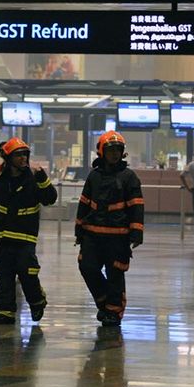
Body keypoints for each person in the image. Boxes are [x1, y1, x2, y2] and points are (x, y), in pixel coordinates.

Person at [0, 137, 58, 325]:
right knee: (2, 274)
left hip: (25, 237)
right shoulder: (0, 181)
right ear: (8, 158)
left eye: (25, 155)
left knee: (27, 273)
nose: (23, 158)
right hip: (3, 237)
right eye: (18, 155)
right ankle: (5, 312)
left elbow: (50, 199)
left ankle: (37, 302)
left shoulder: (33, 178)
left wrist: (44, 181)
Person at [75, 131, 144, 327]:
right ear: (102, 152)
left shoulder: (129, 177)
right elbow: (84, 203)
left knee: (115, 274)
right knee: (87, 267)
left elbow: (136, 205)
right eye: (111, 150)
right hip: (92, 234)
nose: (114, 154)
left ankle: (114, 311)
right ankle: (104, 302)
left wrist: (137, 232)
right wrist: (79, 229)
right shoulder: (94, 176)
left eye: (118, 150)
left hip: (118, 236)